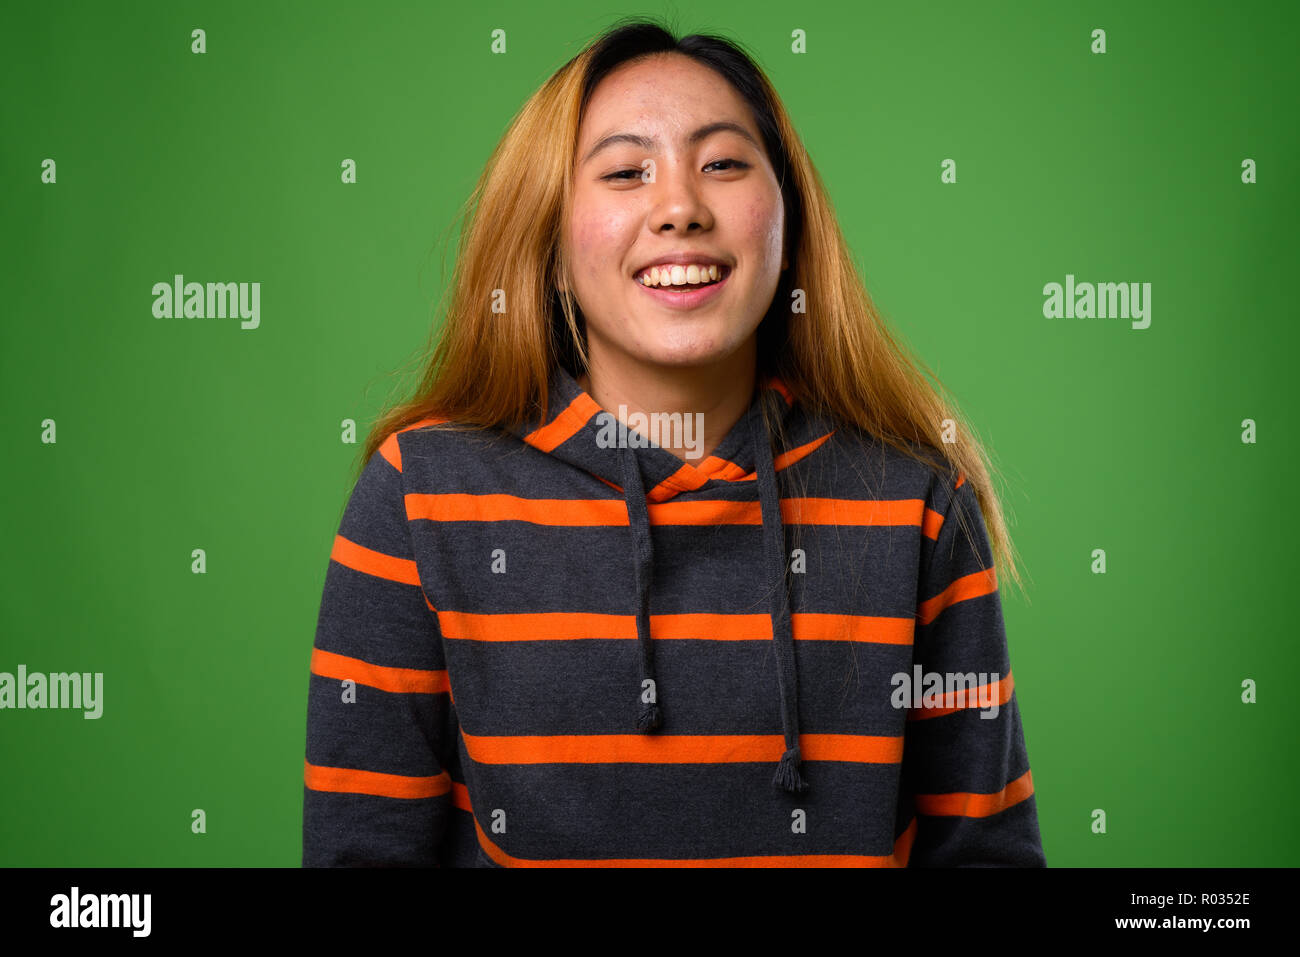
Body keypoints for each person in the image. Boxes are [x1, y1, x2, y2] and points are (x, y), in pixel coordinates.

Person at [301, 16, 1046, 867]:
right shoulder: (419, 493)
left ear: (788, 218)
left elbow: (986, 855)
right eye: (626, 172)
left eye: (723, 163)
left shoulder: (916, 499)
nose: (680, 208)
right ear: (548, 241)